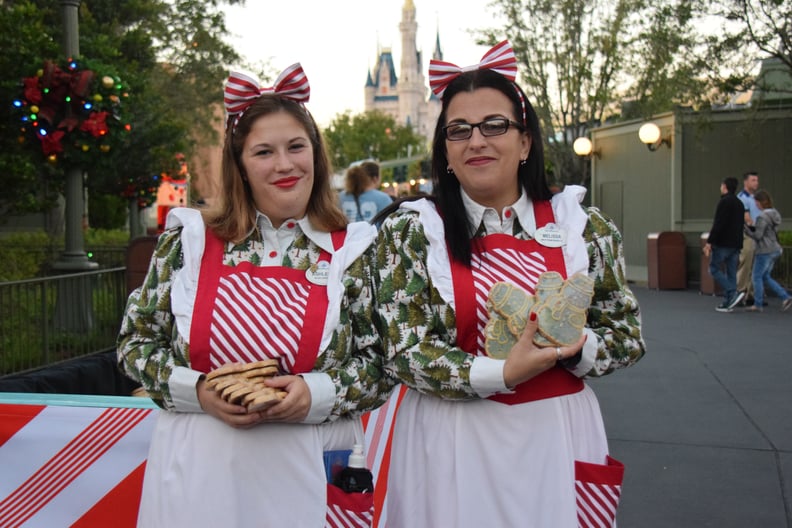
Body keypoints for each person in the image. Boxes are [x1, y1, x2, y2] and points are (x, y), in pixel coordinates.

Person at [370, 41, 646, 527]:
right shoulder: (412, 231)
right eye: (459, 130)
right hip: (450, 437)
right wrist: (499, 373)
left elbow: (626, 336)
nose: (477, 141)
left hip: (555, 436)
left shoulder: (584, 226)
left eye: (494, 125)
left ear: (525, 142)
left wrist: (574, 345)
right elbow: (404, 351)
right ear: (446, 152)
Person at [117, 64, 393, 526]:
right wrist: (200, 390)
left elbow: (382, 362)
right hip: (197, 474)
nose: (285, 164)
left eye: (296, 147)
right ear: (240, 166)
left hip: (308, 471)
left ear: (316, 155)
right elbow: (135, 345)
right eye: (264, 151)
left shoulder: (359, 249)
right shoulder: (189, 241)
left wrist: (315, 392)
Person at [743, 189, 792, 312]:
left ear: (760, 202)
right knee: (765, 276)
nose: (756, 205)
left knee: (756, 276)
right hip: (775, 248)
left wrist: (745, 229)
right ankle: (785, 297)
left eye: (756, 202)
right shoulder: (774, 213)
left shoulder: (762, 216)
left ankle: (758, 304)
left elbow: (758, 236)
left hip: (764, 250)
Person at [704, 177, 746, 312]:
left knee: (714, 269)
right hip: (736, 244)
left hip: (723, 243)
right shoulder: (740, 204)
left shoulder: (724, 202)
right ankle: (728, 302)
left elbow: (719, 223)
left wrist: (710, 242)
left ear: (724, 186)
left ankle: (732, 292)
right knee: (731, 272)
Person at [736, 171, 761, 304]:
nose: (756, 182)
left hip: (759, 235)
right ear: (746, 182)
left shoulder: (756, 198)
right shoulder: (742, 197)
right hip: (748, 234)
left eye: (757, 180)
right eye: (753, 180)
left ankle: (751, 294)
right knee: (746, 263)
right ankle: (740, 292)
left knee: (757, 265)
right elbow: (746, 217)